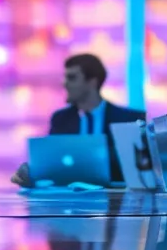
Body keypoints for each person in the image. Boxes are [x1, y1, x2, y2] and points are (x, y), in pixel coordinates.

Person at [12, 53, 146, 186]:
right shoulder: (60, 119)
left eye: (71, 78)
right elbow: (53, 164)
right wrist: (33, 173)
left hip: (116, 201)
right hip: (71, 199)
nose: (64, 83)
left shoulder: (128, 119)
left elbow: (137, 168)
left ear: (92, 82)